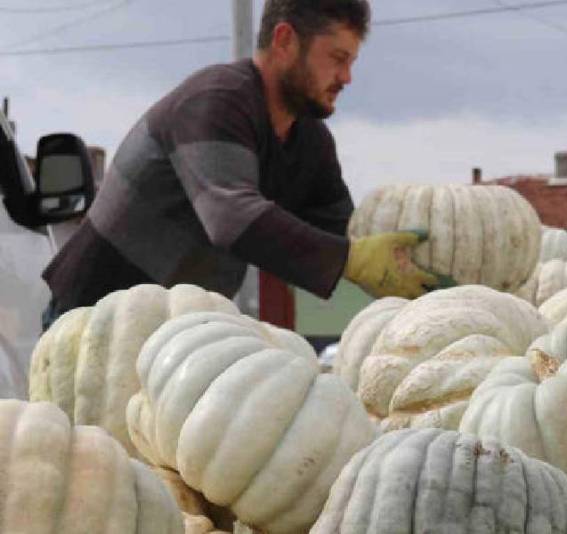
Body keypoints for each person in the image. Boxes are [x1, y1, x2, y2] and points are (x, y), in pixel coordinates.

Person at [41, 0, 443, 328]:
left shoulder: (310, 141)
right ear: (285, 39)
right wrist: (350, 259)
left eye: (352, 61)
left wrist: (428, 275)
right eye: (337, 58)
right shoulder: (215, 101)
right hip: (90, 320)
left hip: (174, 336)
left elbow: (348, 234)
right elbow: (230, 216)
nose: (348, 77)